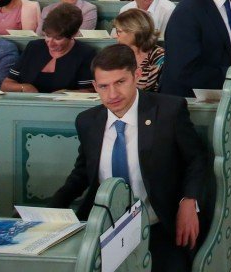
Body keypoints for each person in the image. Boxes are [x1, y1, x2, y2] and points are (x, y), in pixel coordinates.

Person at [51, 44, 209, 271]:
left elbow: (196, 159)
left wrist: (189, 201)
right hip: (105, 228)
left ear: (137, 75)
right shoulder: (88, 121)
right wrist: (52, 208)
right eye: (104, 86)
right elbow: (82, 173)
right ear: (95, 86)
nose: (112, 94)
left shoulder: (168, 111)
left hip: (157, 224)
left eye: (120, 82)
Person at [1, 5, 96, 93]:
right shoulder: (34, 47)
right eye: (47, 35)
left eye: (58, 38)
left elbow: (89, 91)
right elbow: (6, 85)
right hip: (29, 103)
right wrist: (24, 87)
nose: (50, 43)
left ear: (73, 35)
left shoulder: (85, 53)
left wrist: (66, 94)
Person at [113, 8, 165, 91]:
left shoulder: (159, 56)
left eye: (119, 31)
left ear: (135, 32)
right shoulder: (116, 54)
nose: (115, 36)